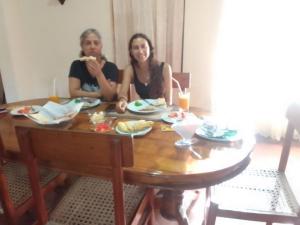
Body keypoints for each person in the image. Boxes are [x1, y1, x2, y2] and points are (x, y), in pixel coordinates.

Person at [116, 33, 172, 113]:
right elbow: (123, 94)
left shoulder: (165, 68)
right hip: (141, 111)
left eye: (143, 46)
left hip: (160, 112)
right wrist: (122, 100)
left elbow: (168, 101)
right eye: (136, 48)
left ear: (150, 48)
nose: (140, 51)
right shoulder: (129, 69)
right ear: (131, 52)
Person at [69, 28, 118, 101]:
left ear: (101, 46)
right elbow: (73, 93)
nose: (92, 47)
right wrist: (97, 94)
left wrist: (99, 74)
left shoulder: (111, 67)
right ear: (82, 47)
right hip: (85, 107)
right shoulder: (76, 65)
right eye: (88, 43)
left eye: (96, 43)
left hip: (105, 108)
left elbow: (109, 97)